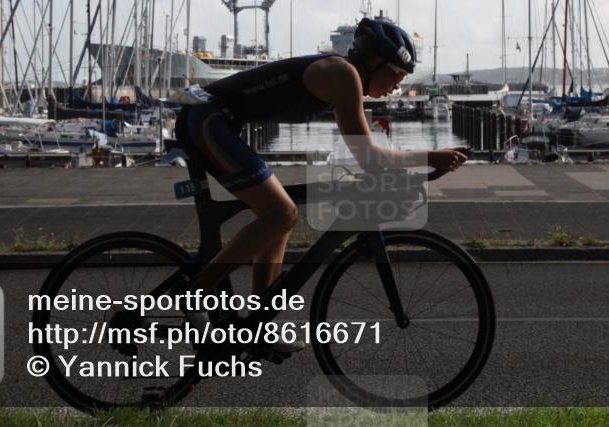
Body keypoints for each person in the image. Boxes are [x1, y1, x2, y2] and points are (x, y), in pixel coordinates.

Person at [173, 17, 467, 351]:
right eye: (396, 74)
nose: (397, 85)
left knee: (279, 216)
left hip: (219, 121)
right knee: (280, 214)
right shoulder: (343, 75)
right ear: (373, 62)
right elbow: (368, 156)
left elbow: (365, 156)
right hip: (206, 120)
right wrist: (431, 156)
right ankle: (194, 295)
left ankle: (257, 325)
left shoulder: (345, 75)